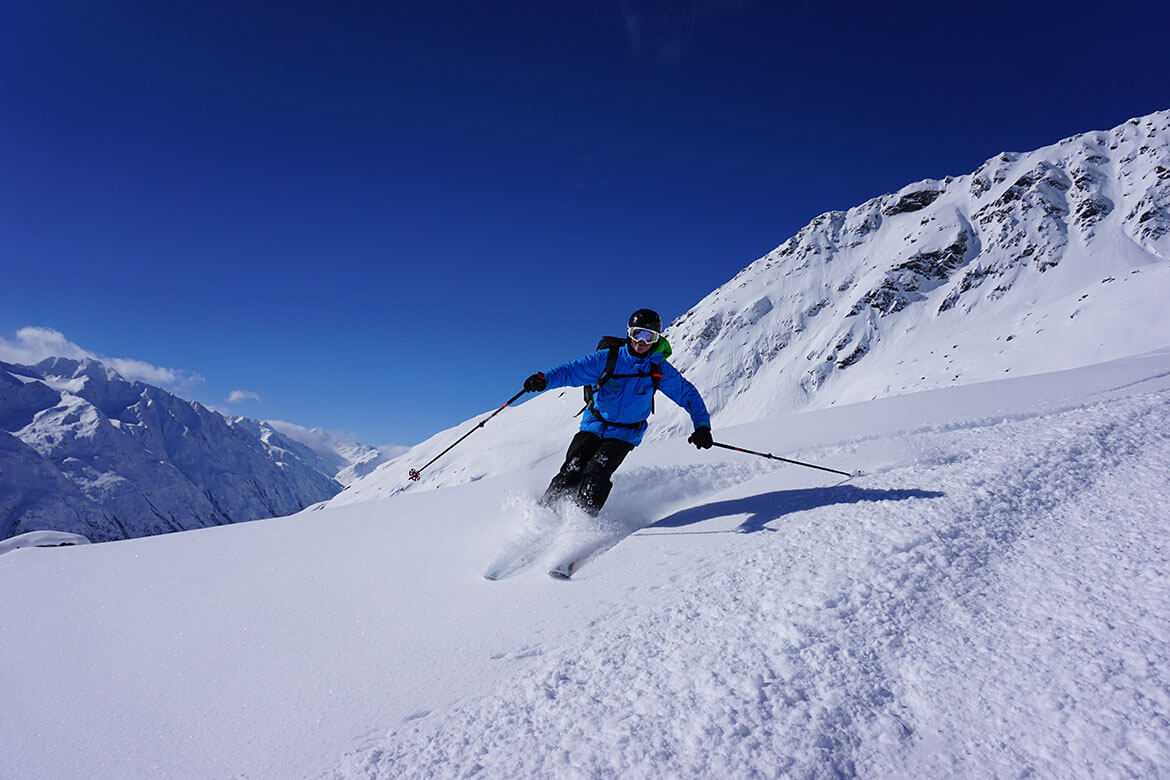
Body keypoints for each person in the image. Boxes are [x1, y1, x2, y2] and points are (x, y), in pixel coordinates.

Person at [523, 308, 713, 516]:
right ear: (629, 333)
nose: (642, 341)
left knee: (598, 470)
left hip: (625, 434)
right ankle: (544, 513)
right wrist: (544, 380)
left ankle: (582, 520)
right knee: (572, 469)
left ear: (657, 339)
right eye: (637, 334)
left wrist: (702, 427)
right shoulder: (607, 360)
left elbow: (687, 394)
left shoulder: (658, 368)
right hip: (594, 425)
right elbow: (571, 371)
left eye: (649, 336)